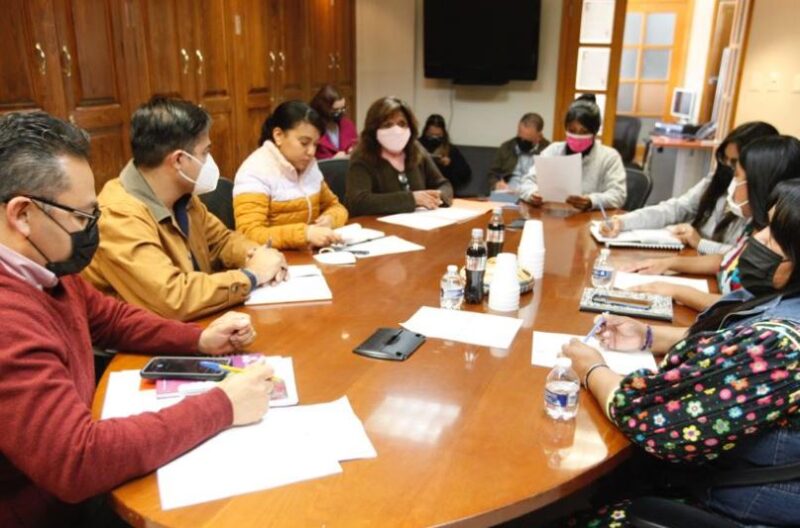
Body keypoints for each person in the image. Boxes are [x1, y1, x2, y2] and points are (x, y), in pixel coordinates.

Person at [0, 111, 277, 528]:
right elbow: (77, 460)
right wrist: (222, 406)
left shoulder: (45, 263)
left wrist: (198, 340)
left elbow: (109, 318)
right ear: (22, 215)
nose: (90, 229)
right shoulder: (8, 318)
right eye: (81, 216)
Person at [562, 179, 800, 527]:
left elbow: (654, 418)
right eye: (765, 227)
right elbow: (727, 344)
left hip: (727, 509)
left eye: (775, 236)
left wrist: (592, 369)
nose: (758, 239)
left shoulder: (781, 348)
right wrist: (648, 336)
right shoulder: (785, 299)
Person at [83, 97, 288, 321]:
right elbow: (171, 298)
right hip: (140, 339)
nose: (209, 161)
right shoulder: (118, 216)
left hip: (197, 324)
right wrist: (252, 275)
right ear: (179, 160)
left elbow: (222, 241)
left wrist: (257, 254)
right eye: (205, 152)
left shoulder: (182, 197)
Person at [624, 135, 800, 311]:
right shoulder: (755, 227)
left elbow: (746, 307)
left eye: (738, 177)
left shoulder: (774, 249)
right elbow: (727, 260)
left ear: (759, 185)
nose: (732, 184)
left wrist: (677, 291)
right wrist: (669, 263)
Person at [600, 121, 778, 255]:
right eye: (726, 160)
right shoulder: (717, 180)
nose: (729, 168)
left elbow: (744, 257)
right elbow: (677, 208)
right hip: (693, 260)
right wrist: (624, 221)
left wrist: (700, 243)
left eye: (735, 163)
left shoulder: (767, 205)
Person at [233, 101, 349, 250]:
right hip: (275, 258)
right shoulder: (254, 171)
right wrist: (304, 234)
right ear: (278, 135)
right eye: (304, 143)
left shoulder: (310, 167)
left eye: (315, 144)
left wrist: (331, 220)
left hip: (311, 253)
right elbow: (249, 234)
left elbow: (336, 207)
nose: (311, 152)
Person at [345, 96, 454, 216]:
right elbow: (358, 202)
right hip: (377, 225)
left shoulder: (415, 149)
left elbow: (443, 184)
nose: (396, 130)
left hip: (419, 222)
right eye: (387, 124)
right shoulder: (362, 157)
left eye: (402, 124)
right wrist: (412, 199)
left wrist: (438, 196)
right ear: (373, 129)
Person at [519, 95, 626, 210]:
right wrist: (532, 194)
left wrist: (591, 201)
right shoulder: (553, 151)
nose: (577, 136)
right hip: (552, 215)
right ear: (566, 129)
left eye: (584, 131)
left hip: (590, 217)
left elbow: (618, 195)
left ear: (594, 132)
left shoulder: (609, 157)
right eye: (572, 130)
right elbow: (527, 182)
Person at [488, 112, 550, 191]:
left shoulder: (549, 151)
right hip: (508, 192)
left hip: (533, 194)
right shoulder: (506, 147)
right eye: (520, 137)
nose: (522, 142)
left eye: (526, 140)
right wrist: (496, 184)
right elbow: (492, 173)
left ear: (539, 136)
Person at [419, 114, 472, 195]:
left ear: (443, 134)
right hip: (421, 189)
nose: (434, 139)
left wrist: (450, 165)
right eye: (431, 135)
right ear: (426, 132)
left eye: (438, 136)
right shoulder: (416, 147)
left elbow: (465, 174)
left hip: (443, 190)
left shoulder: (450, 150)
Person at [309, 84, 358, 160]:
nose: (340, 113)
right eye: (336, 110)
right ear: (324, 108)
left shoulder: (348, 125)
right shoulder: (312, 128)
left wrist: (353, 151)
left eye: (343, 108)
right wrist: (333, 160)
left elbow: (355, 146)